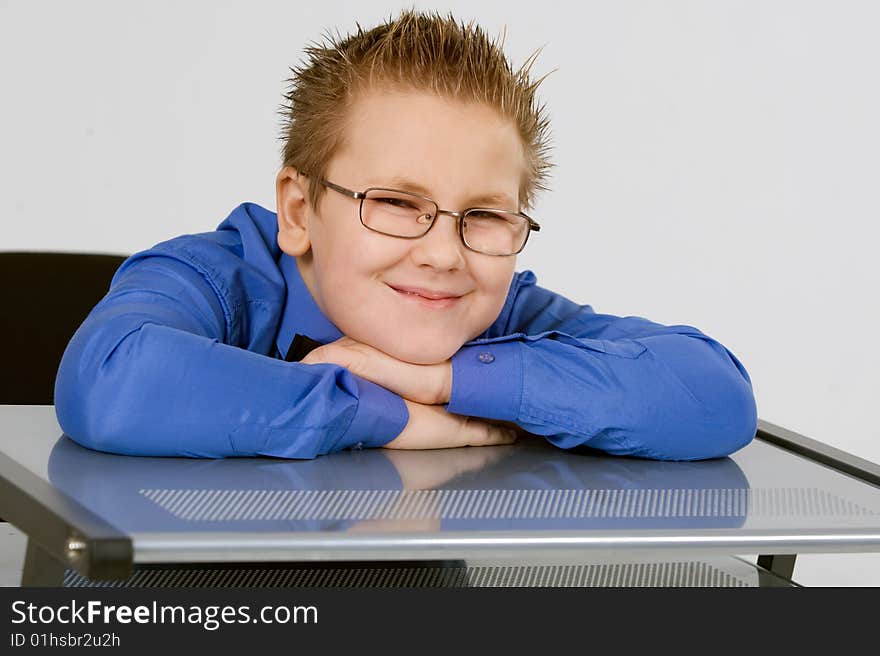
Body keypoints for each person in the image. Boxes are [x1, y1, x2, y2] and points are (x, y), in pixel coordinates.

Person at [54, 9, 757, 461]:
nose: (445, 254)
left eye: (483, 214)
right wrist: (378, 412)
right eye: (394, 201)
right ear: (298, 211)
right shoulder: (216, 276)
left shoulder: (495, 311)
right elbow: (110, 378)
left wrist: (444, 379)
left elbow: (714, 392)